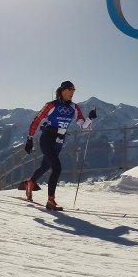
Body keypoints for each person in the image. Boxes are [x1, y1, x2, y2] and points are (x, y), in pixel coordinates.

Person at [24, 80, 96, 210]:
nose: (72, 93)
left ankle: (30, 182)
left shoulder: (74, 107)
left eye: (73, 90)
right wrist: (29, 139)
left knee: (45, 166)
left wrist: (90, 118)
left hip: (59, 141)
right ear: (62, 90)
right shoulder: (51, 105)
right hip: (47, 138)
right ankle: (51, 201)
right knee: (57, 168)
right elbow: (37, 120)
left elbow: (83, 126)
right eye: (69, 90)